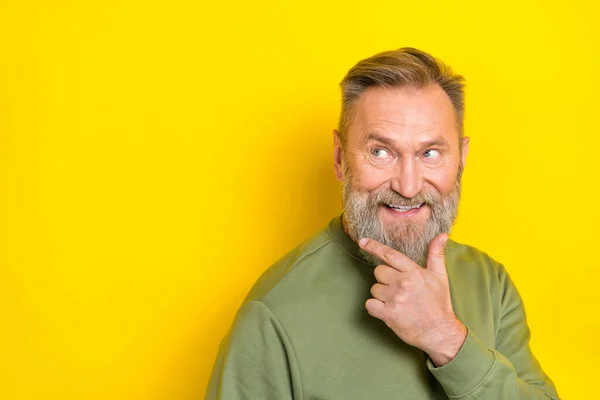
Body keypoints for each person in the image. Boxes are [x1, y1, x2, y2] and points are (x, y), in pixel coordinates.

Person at [205, 47, 559, 399]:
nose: (407, 186)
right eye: (380, 152)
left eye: (430, 153)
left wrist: (446, 338)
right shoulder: (272, 314)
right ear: (341, 158)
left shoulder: (489, 282)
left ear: (462, 159)